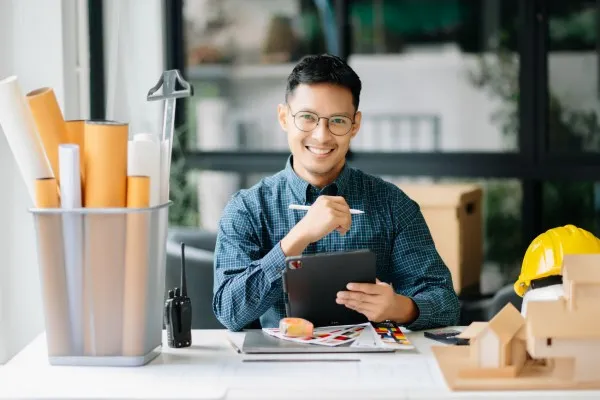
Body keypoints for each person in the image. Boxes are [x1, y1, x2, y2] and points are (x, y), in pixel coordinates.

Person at [212, 53, 460, 332]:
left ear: (355, 125)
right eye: (307, 118)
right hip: (279, 367)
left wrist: (398, 307)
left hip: (371, 369)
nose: (321, 135)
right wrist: (298, 236)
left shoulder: (392, 204)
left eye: (338, 121)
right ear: (284, 117)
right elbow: (229, 311)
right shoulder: (247, 208)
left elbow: (446, 303)